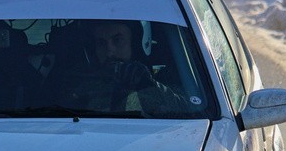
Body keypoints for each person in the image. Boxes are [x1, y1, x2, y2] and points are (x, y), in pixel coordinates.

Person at [55, 20, 188, 115]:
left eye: (117, 40)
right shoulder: (80, 86)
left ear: (135, 43)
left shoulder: (169, 81)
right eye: (101, 43)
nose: (109, 52)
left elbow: (189, 114)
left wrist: (150, 86)